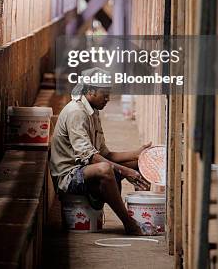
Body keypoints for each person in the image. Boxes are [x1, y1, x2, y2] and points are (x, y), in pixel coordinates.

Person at [49, 67, 152, 235]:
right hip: (68, 176)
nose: (108, 99)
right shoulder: (76, 112)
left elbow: (106, 154)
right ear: (90, 91)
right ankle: (129, 223)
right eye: (104, 94)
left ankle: (142, 211)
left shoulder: (92, 111)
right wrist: (125, 171)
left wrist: (138, 153)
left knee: (139, 162)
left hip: (85, 169)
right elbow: (91, 158)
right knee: (105, 169)